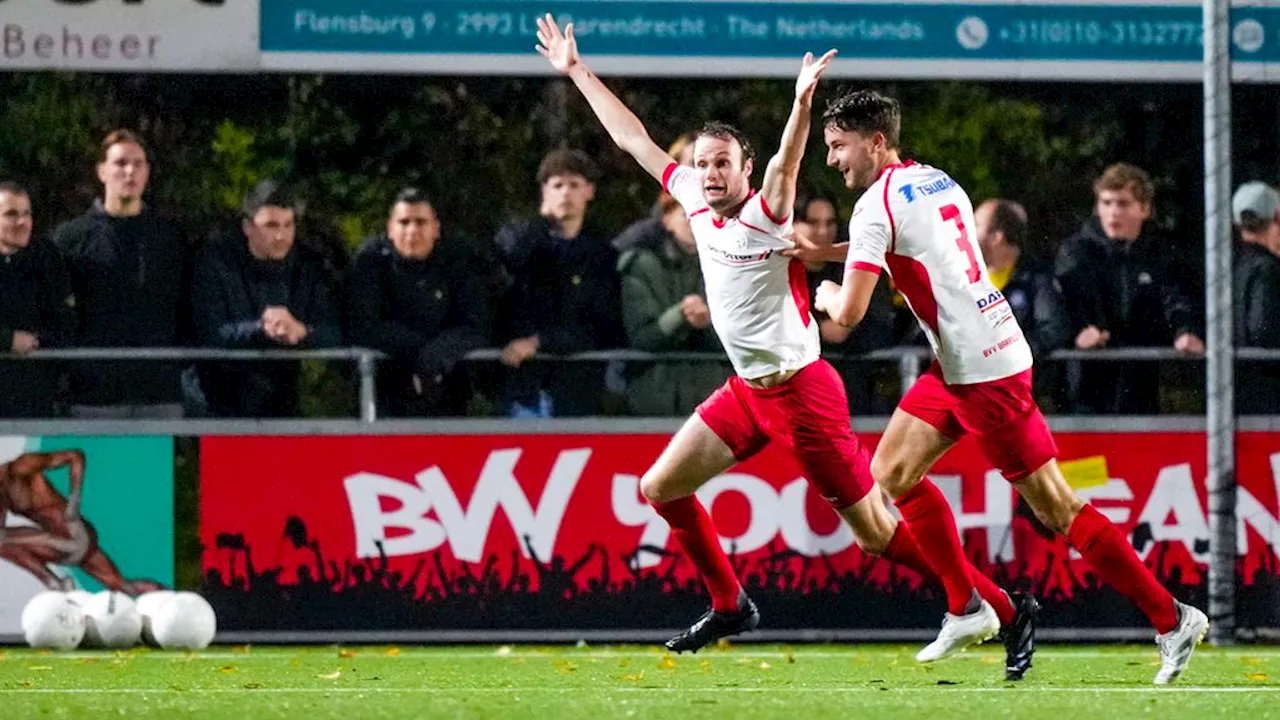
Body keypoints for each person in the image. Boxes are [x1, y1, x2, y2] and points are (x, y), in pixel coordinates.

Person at [535, 16, 1028, 669]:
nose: (707, 173)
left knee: (879, 534)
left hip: (803, 396)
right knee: (661, 488)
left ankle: (1004, 608)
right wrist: (575, 70)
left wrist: (799, 105)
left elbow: (789, 160)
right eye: (700, 164)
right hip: (748, 393)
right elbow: (631, 137)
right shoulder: (690, 194)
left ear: (745, 169)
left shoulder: (768, 212)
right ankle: (731, 604)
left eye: (721, 163)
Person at [805, 89, 1207, 684]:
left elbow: (850, 316)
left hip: (983, 372)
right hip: (971, 358)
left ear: (877, 141)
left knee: (1057, 507)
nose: (833, 160)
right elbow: (898, 245)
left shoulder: (872, 209)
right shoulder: (935, 182)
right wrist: (821, 251)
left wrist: (824, 293)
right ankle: (966, 605)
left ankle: (1171, 617)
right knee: (890, 472)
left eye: (839, 146)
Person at [0, 449, 162, 594]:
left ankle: (56, 584)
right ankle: (172, 600)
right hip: (65, 545)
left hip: (74, 536)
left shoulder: (20, 467)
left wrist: (74, 501)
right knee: (123, 585)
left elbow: (75, 455)